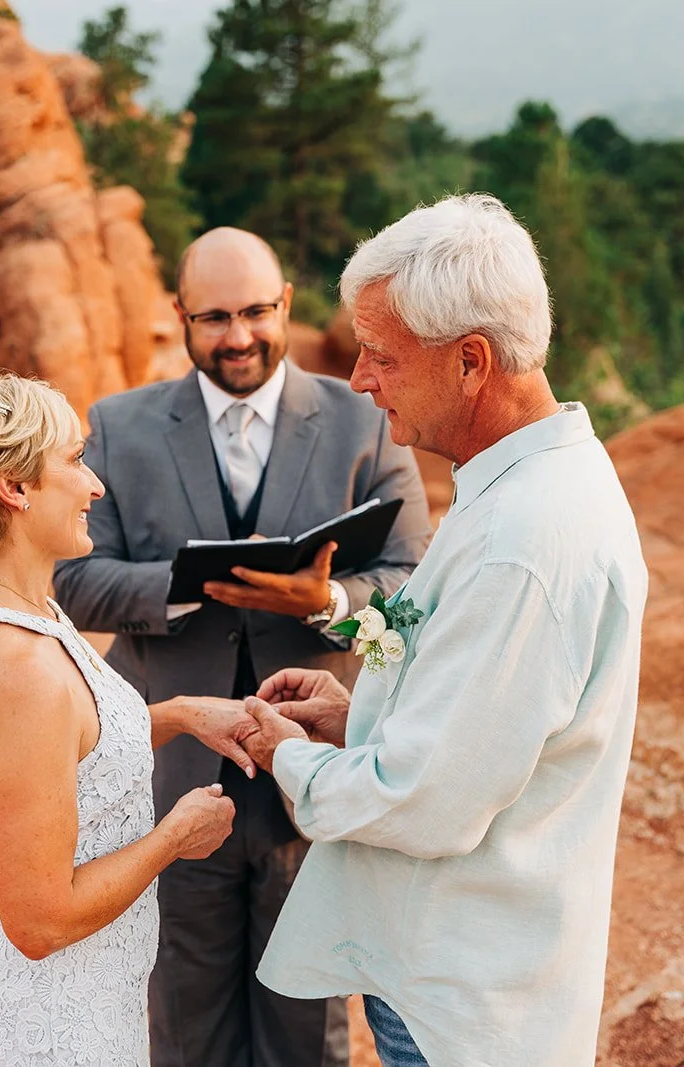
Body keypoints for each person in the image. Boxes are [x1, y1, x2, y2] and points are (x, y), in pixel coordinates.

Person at [238, 194, 649, 1067]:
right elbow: (493, 731)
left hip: (464, 1005)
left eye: (381, 355)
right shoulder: (519, 486)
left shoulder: (524, 542)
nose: (358, 378)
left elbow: (428, 799)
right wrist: (359, 718)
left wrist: (284, 752)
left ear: (472, 361)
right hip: (454, 975)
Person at [53, 228, 432, 1067]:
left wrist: (327, 600)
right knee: (183, 1017)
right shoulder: (117, 427)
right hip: (172, 776)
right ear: (180, 316)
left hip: (318, 771)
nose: (238, 336)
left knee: (308, 1020)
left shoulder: (364, 420)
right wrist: (189, 584)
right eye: (215, 316)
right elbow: (72, 583)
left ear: (286, 306)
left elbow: (411, 578)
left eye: (257, 312)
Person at [0, 364, 264, 1067]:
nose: (95, 484)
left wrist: (181, 713)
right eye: (74, 459)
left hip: (92, 1000)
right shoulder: (18, 670)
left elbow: (65, 746)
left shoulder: (19, 605)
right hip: (53, 1027)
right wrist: (174, 837)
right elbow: (40, 919)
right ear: (15, 487)